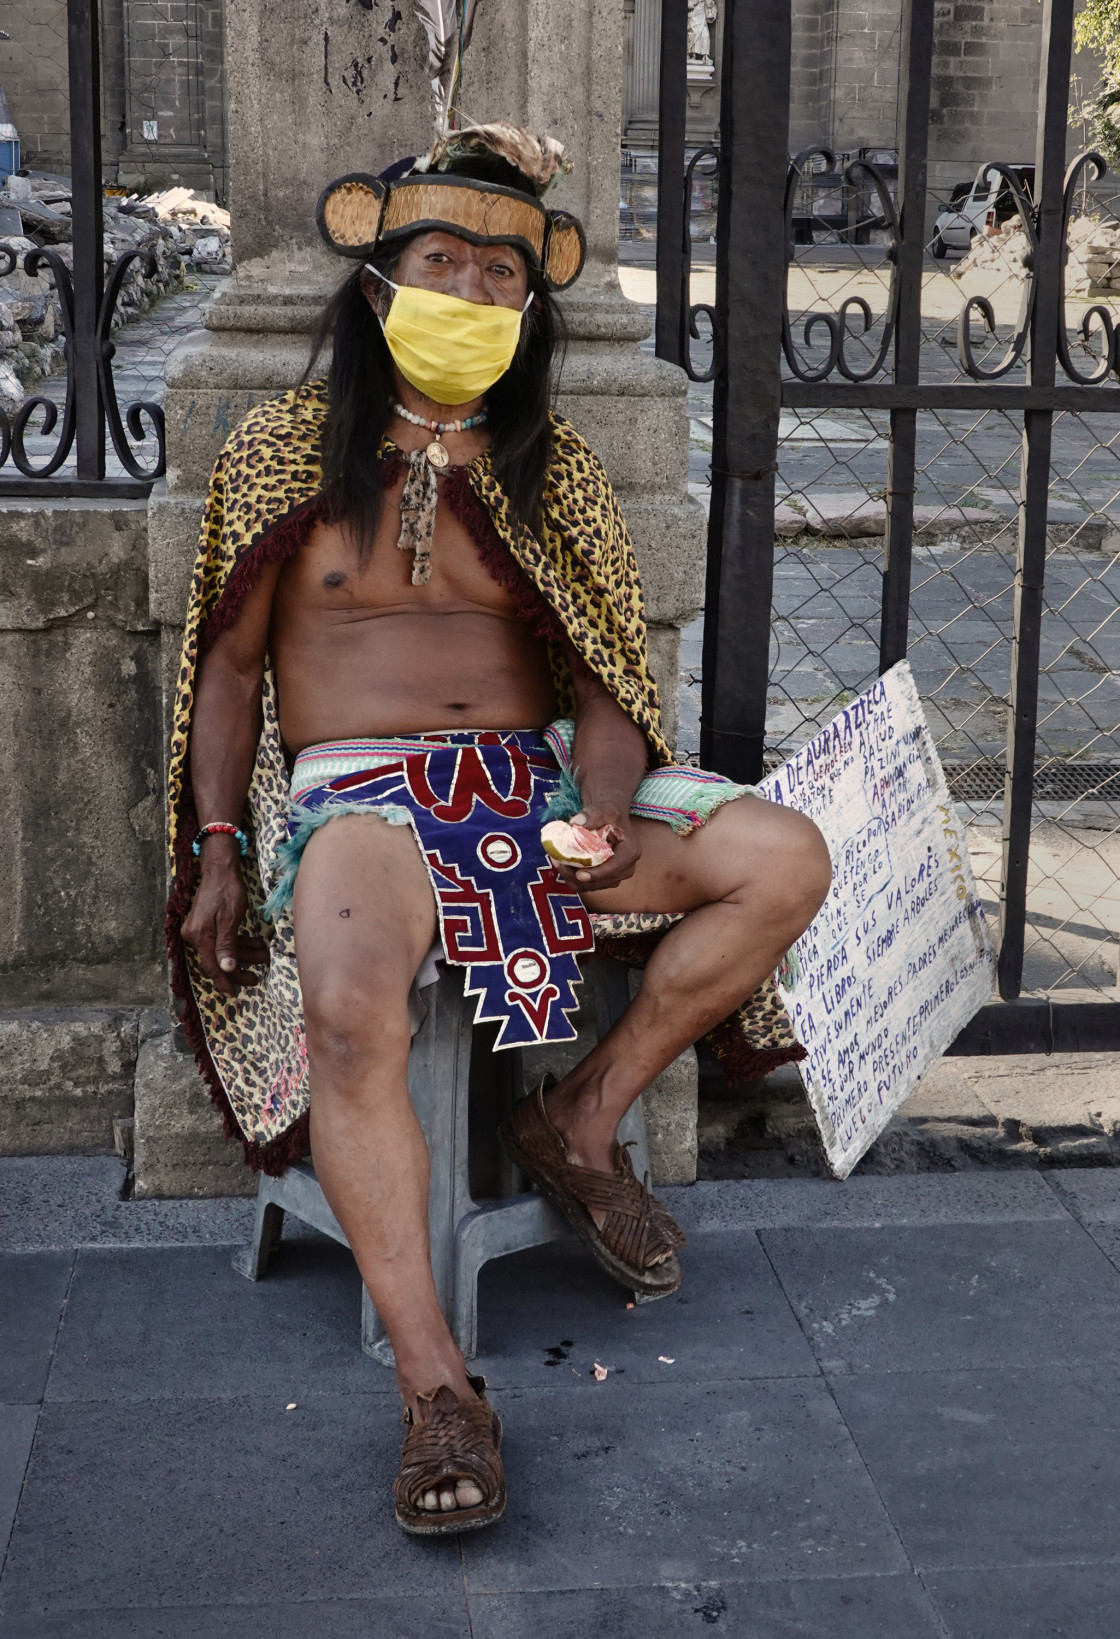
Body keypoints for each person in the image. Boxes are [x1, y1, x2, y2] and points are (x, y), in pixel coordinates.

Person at [167, 123, 832, 1536]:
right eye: (440, 261)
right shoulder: (279, 455)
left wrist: (599, 808)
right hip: (361, 802)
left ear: (530, 310)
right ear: (376, 285)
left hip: (528, 793)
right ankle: (437, 1387)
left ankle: (576, 1120)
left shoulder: (560, 471)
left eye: (499, 274)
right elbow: (225, 674)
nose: (469, 292)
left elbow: (606, 686)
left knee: (785, 857)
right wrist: (221, 848)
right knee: (351, 1011)